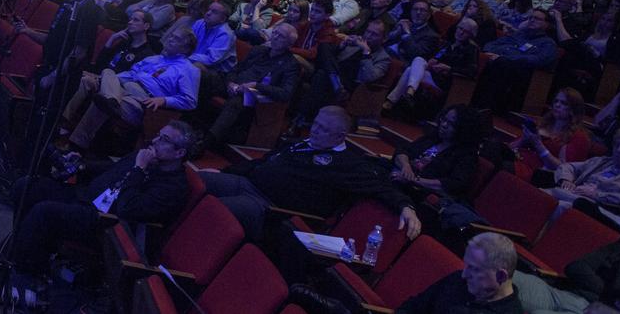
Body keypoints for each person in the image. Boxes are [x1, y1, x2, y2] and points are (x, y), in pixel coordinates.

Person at [0, 122, 198, 296]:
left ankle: (5, 272)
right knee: (27, 187)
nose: (155, 141)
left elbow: (130, 208)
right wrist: (83, 165)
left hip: (106, 225)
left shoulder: (172, 186)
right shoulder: (147, 156)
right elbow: (110, 170)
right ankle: (26, 263)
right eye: (158, 135)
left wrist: (139, 170)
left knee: (43, 213)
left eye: (164, 140)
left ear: (179, 152)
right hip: (86, 200)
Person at [200, 106, 421, 239]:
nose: (315, 130)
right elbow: (265, 161)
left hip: (269, 207)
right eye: (316, 124)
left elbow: (380, 186)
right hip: (248, 183)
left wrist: (406, 207)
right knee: (197, 180)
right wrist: (223, 171)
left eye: (323, 129)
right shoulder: (303, 143)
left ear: (339, 136)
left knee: (211, 208)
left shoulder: (348, 164)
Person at [60, 28, 199, 152]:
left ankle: (76, 145)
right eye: (171, 36)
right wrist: (99, 79)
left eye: (177, 39)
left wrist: (163, 100)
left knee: (103, 99)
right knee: (96, 76)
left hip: (141, 99)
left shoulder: (189, 69)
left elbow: (189, 101)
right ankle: (61, 123)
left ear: (186, 49)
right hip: (121, 86)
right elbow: (128, 75)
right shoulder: (154, 59)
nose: (170, 39)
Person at [198, 23, 300, 152]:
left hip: (252, 96)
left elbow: (286, 93)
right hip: (232, 86)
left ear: (289, 44)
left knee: (237, 101)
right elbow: (235, 70)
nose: (275, 37)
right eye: (275, 33)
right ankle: (191, 125)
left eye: (281, 36)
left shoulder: (291, 65)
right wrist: (231, 83)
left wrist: (256, 86)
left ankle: (206, 142)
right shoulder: (258, 50)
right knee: (204, 77)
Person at [395, 232, 522, 314]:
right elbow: (411, 307)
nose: (464, 274)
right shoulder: (457, 281)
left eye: (474, 269)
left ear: (501, 276)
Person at [390, 105, 485, 201]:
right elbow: (403, 150)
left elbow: (453, 184)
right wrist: (406, 166)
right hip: (400, 175)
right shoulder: (433, 137)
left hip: (421, 193)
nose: (444, 125)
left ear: (464, 129)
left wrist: (413, 180)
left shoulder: (466, 155)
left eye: (451, 124)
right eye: (444, 119)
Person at [384, 17, 480, 112]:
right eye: (460, 28)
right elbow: (436, 58)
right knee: (418, 60)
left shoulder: (471, 49)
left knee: (410, 70)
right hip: (433, 75)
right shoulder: (448, 45)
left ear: (471, 35)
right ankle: (409, 92)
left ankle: (392, 101)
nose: (461, 32)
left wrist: (449, 68)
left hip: (446, 82)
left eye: (466, 31)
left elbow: (472, 71)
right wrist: (433, 61)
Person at [472, 9, 558, 111]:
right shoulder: (520, 35)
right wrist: (491, 53)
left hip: (524, 75)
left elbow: (539, 60)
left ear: (547, 24)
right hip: (501, 63)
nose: (532, 20)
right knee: (476, 54)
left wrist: (505, 57)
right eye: (530, 18)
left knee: (501, 63)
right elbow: (491, 44)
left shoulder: (548, 44)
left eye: (537, 19)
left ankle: (484, 106)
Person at [510, 88, 591, 182]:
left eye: (563, 103)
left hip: (535, 173)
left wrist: (538, 145)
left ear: (573, 109)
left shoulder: (579, 137)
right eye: (556, 101)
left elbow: (565, 170)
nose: (557, 105)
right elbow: (510, 147)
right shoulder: (543, 124)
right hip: (517, 158)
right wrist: (523, 140)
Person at [547, 127, 620, 224]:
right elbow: (568, 166)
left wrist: (596, 194)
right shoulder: (601, 161)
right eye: (617, 145)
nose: (619, 150)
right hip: (574, 193)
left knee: (561, 205)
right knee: (542, 193)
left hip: (597, 208)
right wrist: (566, 180)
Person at [92, 10, 161, 74]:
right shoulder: (125, 42)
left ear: (146, 26)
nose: (130, 22)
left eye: (136, 20)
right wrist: (112, 39)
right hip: (99, 75)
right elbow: (99, 62)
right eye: (130, 19)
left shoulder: (146, 54)